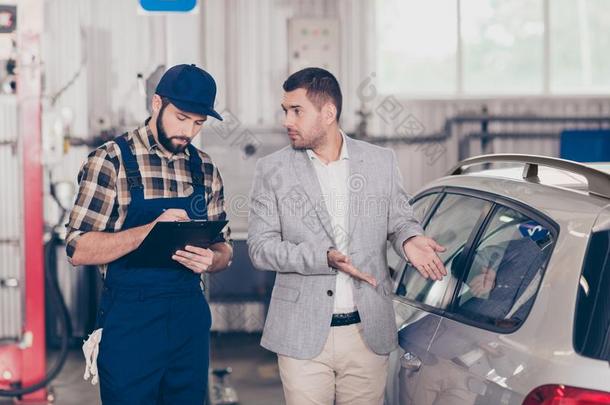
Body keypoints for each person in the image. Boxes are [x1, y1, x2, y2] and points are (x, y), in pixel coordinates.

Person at [247, 67, 446, 405]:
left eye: (296, 111)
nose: (286, 121)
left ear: (328, 113)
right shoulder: (272, 170)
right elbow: (260, 248)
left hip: (366, 332)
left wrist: (410, 239)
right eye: (285, 110)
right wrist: (322, 256)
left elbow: (400, 221)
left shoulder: (380, 161)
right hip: (301, 335)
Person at [65, 64, 233, 404]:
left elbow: (225, 247)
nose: (189, 131)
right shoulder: (110, 161)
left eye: (198, 123)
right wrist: (149, 231)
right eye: (182, 117)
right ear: (157, 103)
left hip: (188, 316)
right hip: (131, 321)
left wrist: (214, 259)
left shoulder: (204, 168)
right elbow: (78, 248)